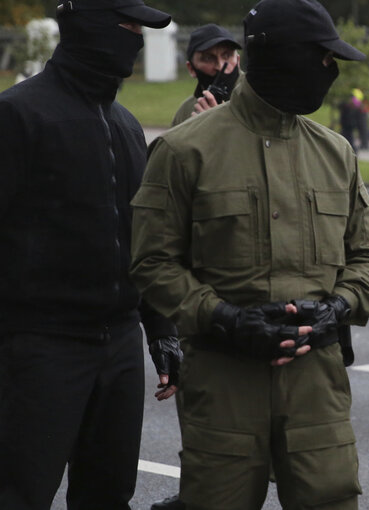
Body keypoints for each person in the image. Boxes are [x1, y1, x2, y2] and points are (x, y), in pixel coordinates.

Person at [129, 1, 369, 509]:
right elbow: (151, 263)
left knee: (329, 499)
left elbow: (368, 253)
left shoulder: (336, 154)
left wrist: (338, 306)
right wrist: (224, 317)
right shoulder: (185, 150)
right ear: (281, 58)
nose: (330, 72)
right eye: (323, 58)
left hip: (317, 383)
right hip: (225, 379)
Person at [0, 1, 180, 509]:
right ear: (91, 26)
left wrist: (161, 329)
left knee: (107, 494)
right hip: (40, 346)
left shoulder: (125, 124)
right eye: (128, 26)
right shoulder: (18, 114)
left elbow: (142, 238)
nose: (137, 40)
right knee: (21, 493)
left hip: (119, 345)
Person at [171, 24, 241, 127]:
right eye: (208, 58)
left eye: (227, 56)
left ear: (238, 60)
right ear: (191, 68)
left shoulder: (255, 98)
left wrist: (219, 123)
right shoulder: (186, 111)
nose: (220, 66)